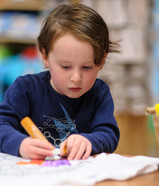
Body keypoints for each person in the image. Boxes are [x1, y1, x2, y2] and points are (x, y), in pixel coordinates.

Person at [0, 3, 120, 160]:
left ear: (102, 61)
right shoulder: (25, 88)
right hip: (31, 176)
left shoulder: (99, 93)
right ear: (45, 57)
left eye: (86, 67)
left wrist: (88, 141)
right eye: (65, 66)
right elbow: (2, 125)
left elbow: (109, 134)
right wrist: (20, 144)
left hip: (80, 178)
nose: (76, 78)